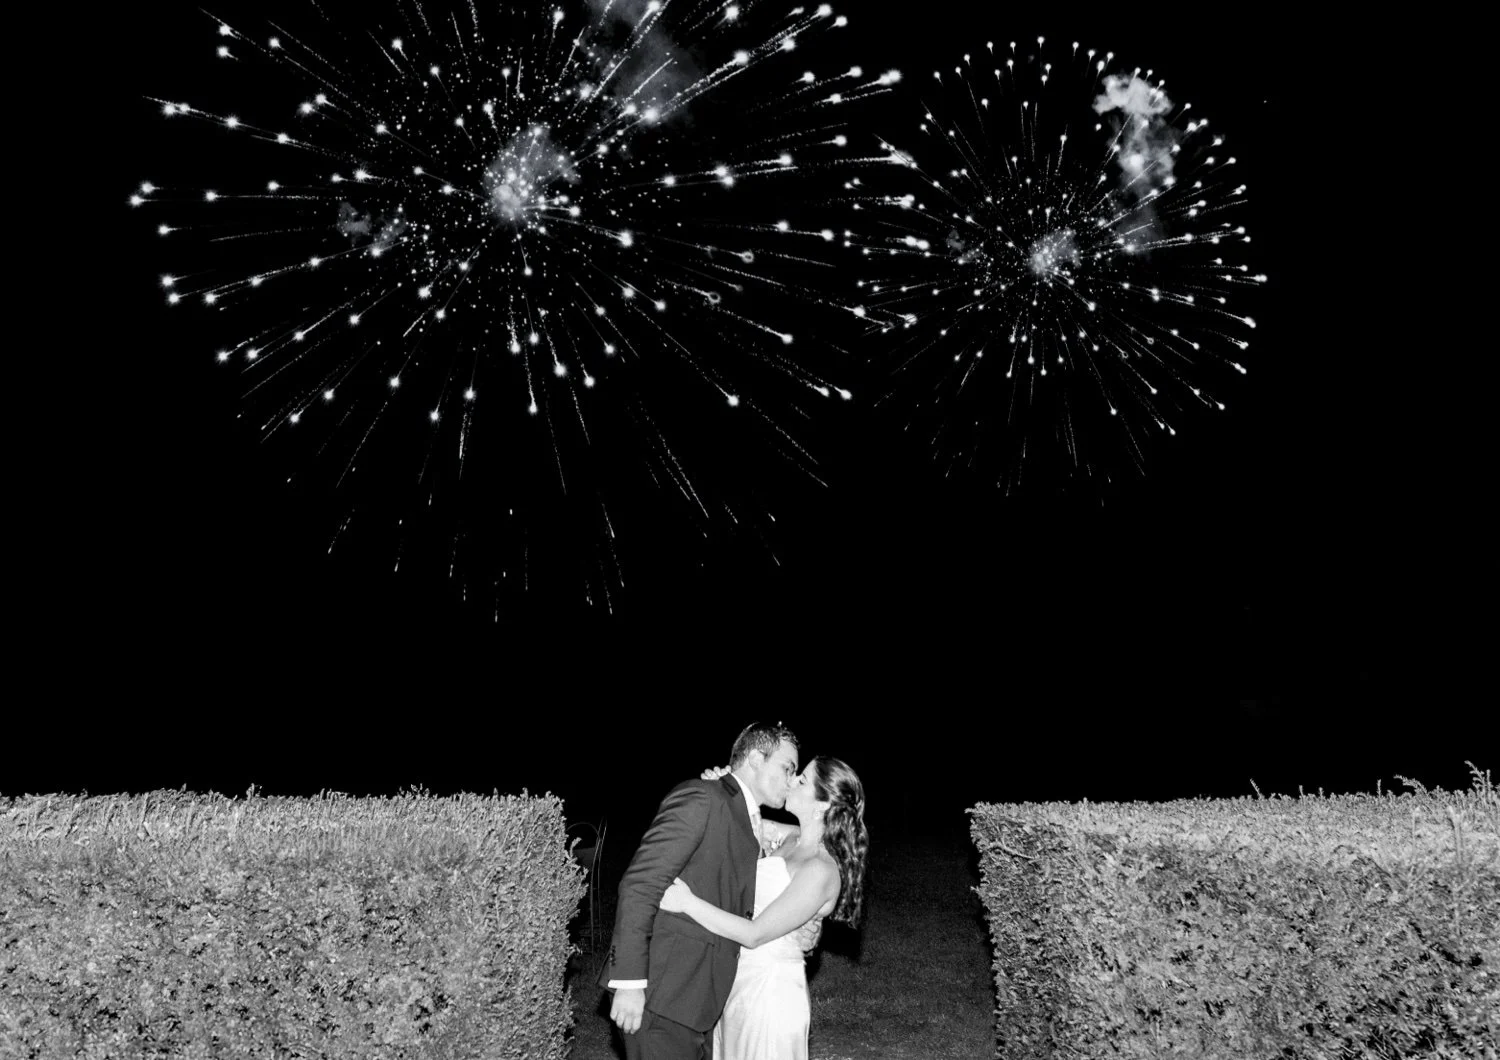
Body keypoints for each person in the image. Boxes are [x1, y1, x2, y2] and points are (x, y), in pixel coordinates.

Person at [599, 722, 802, 1060]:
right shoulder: (703, 797)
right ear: (754, 759)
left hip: (699, 1000)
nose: (791, 780)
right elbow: (641, 883)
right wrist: (629, 982)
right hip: (662, 994)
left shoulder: (746, 815)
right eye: (787, 767)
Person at [660, 757, 868, 1060]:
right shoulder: (790, 837)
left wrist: (687, 903)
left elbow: (755, 934)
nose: (792, 779)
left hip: (770, 995)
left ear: (822, 805)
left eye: (803, 780)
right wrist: (723, 783)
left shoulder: (821, 869)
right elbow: (739, 814)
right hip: (739, 980)